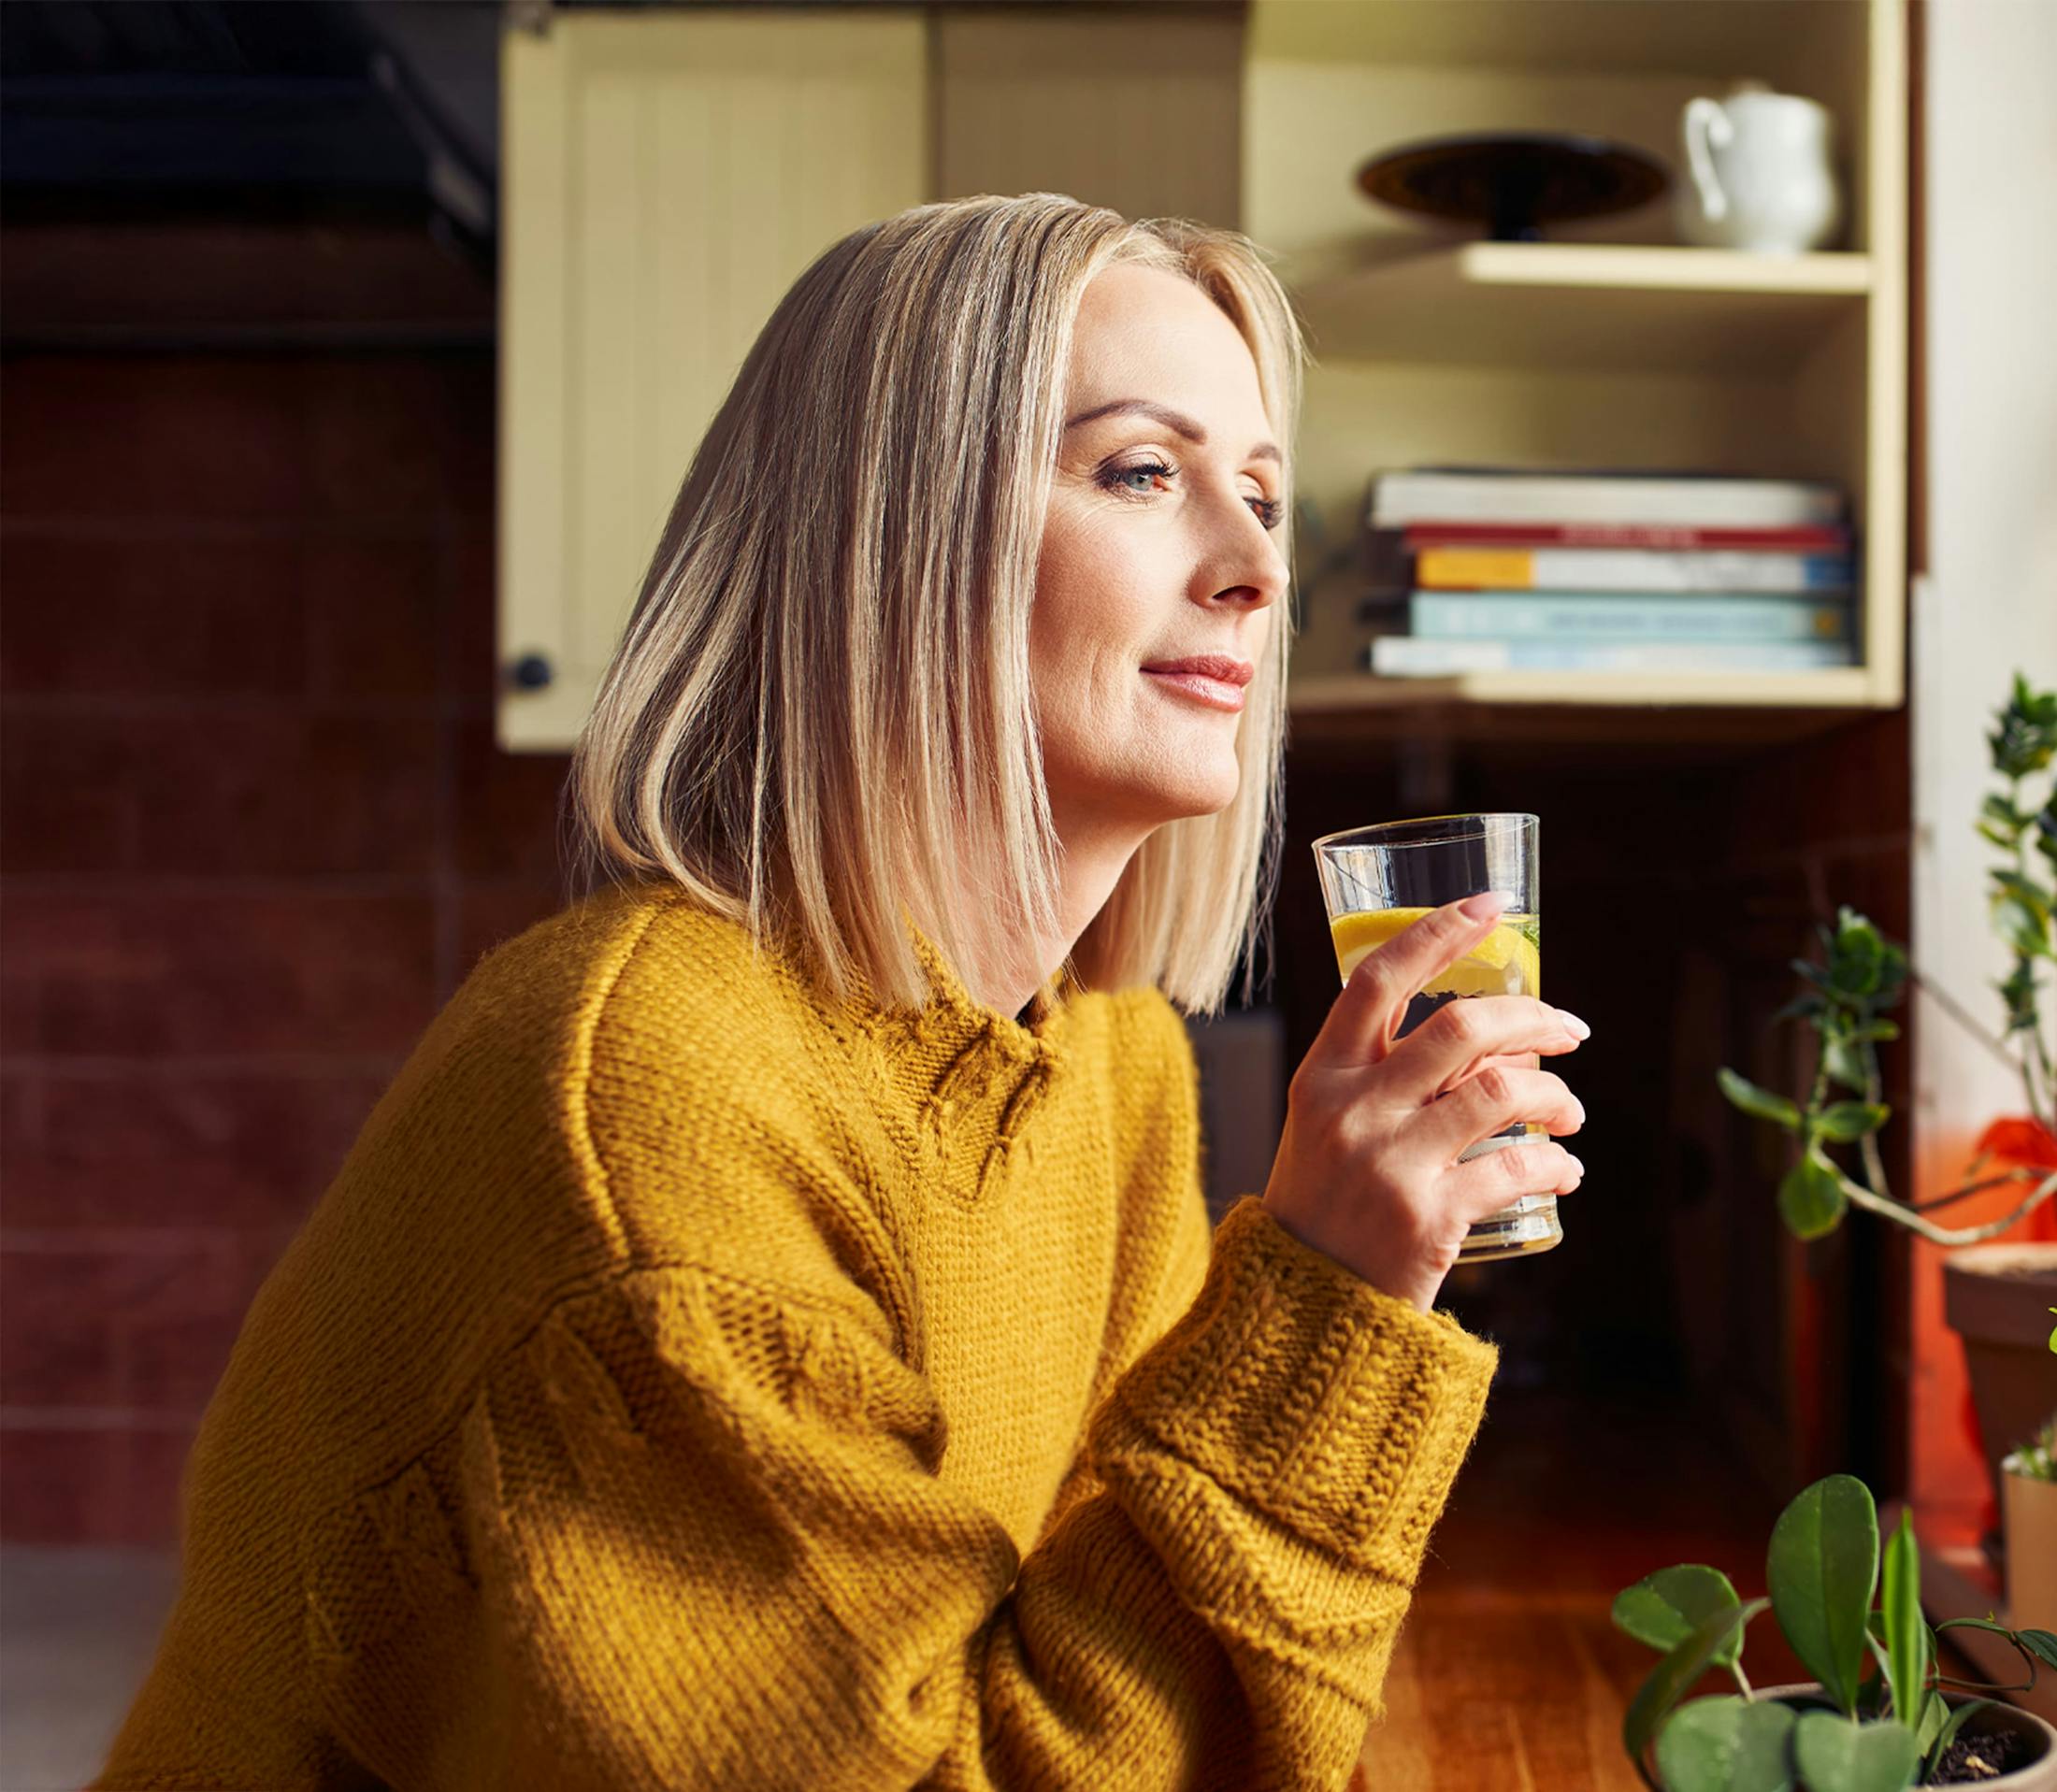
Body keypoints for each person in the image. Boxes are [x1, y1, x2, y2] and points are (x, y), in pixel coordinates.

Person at [98, 192, 1586, 1790]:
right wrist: (1324, 1304)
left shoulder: (1110, 1064)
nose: (1251, 572)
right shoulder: (648, 1104)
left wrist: (1343, 1294)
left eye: (1266, 498)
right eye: (1144, 472)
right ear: (892, 530)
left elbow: (1119, 1657)